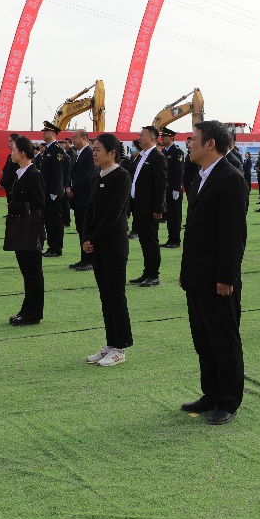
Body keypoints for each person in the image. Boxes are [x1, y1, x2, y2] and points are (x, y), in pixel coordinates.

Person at [178, 120, 249, 425]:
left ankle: (228, 401)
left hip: (219, 277)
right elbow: (195, 231)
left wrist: (227, 277)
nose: (188, 144)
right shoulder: (200, 177)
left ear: (210, 144)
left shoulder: (230, 178)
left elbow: (233, 234)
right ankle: (211, 393)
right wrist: (186, 271)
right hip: (197, 274)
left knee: (223, 340)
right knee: (203, 339)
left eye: (193, 139)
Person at [81, 134, 133, 366]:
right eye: (93, 149)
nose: (94, 153)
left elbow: (113, 215)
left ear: (112, 153)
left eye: (98, 149)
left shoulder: (121, 176)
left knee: (116, 295)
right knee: (105, 296)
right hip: (97, 244)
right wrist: (85, 238)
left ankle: (120, 348)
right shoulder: (98, 175)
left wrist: (93, 239)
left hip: (114, 244)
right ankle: (111, 343)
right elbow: (90, 211)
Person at [7, 135, 47, 325]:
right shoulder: (20, 172)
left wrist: (15, 206)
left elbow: (39, 202)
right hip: (21, 228)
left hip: (31, 229)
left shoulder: (34, 174)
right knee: (27, 273)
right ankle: (27, 308)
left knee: (33, 273)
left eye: (13, 149)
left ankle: (33, 313)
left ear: (22, 153)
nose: (11, 153)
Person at [128, 125, 167, 287]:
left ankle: (153, 275)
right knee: (144, 241)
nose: (139, 137)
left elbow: (160, 184)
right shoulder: (142, 156)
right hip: (139, 205)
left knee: (151, 241)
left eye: (141, 135)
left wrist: (158, 208)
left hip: (150, 208)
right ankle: (147, 272)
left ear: (152, 138)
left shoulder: (157, 156)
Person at [66, 129, 98, 272]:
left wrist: (73, 189)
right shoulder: (80, 153)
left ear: (84, 138)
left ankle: (89, 260)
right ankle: (84, 258)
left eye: (75, 137)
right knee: (81, 229)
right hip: (79, 198)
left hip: (85, 198)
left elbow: (86, 176)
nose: (73, 140)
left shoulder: (89, 153)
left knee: (87, 229)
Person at [36, 122, 67, 259]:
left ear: (53, 134)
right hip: (46, 191)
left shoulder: (57, 150)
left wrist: (55, 191)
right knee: (48, 219)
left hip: (52, 192)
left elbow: (58, 172)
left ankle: (56, 247)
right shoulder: (48, 150)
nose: (43, 133)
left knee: (55, 220)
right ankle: (51, 246)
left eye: (46, 131)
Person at [160, 127, 185, 248]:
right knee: (169, 215)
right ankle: (170, 239)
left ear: (171, 137)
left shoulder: (177, 152)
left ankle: (176, 240)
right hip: (167, 188)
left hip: (174, 188)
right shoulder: (165, 152)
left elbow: (179, 172)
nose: (162, 139)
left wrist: (177, 189)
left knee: (175, 215)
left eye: (164, 136)